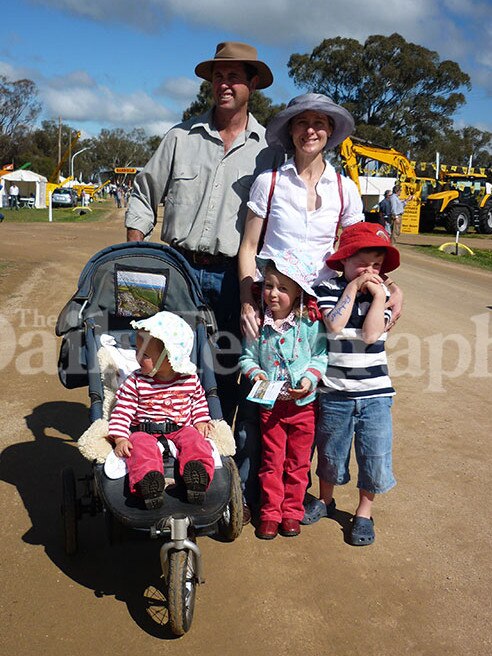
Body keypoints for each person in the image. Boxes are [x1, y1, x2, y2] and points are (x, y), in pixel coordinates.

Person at [125, 41, 282, 429]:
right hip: (176, 271)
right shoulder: (180, 137)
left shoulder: (270, 152)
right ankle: (165, 448)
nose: (224, 84)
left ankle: (216, 453)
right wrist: (134, 259)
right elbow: (144, 195)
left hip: (236, 278)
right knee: (166, 364)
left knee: (228, 368)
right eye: (218, 77)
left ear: (253, 85)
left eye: (233, 77)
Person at [313, 222, 400, 546]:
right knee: (330, 453)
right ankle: (325, 499)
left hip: (375, 395)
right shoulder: (329, 290)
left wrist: (379, 295)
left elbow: (371, 334)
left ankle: (364, 511)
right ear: (344, 262)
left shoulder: (386, 296)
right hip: (335, 392)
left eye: (376, 266)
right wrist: (352, 288)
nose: (370, 271)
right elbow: (334, 324)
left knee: (374, 456)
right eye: (362, 263)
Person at [239, 251, 327, 539]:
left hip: (303, 407)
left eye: (282, 288)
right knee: (271, 462)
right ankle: (270, 513)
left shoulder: (310, 324)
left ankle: (292, 512)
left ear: (298, 292)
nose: (273, 294)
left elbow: (320, 357)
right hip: (271, 408)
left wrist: (309, 379)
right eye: (268, 286)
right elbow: (247, 358)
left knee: (298, 463)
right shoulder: (258, 324)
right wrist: (257, 375)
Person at [108, 311, 215, 508]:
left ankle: (197, 477)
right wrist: (120, 437)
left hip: (181, 428)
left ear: (170, 357)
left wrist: (200, 420)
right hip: (144, 430)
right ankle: (148, 482)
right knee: (138, 448)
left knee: (196, 442)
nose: (137, 357)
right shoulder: (136, 381)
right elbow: (122, 410)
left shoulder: (188, 379)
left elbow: (198, 400)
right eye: (137, 350)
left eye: (145, 354)